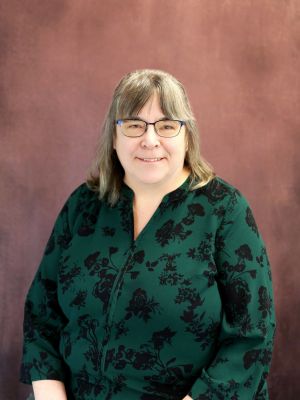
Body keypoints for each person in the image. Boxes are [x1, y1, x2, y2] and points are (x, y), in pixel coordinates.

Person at [20, 69, 276, 400]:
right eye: (134, 125)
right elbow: (41, 314)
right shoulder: (83, 205)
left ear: (187, 136)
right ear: (114, 136)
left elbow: (252, 336)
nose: (149, 140)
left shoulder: (225, 209)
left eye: (167, 126)